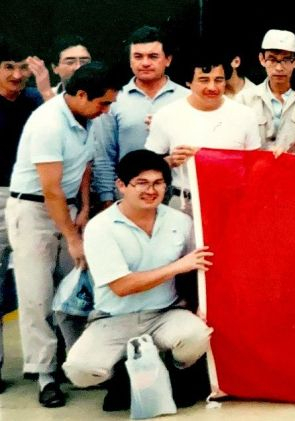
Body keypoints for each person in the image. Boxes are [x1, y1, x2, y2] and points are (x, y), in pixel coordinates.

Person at [6, 62, 120, 407]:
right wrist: (72, 237)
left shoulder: (86, 118)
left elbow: (84, 167)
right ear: (81, 94)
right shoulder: (48, 122)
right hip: (35, 211)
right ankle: (44, 375)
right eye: (102, 103)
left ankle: (77, 363)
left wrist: (83, 209)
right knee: (37, 295)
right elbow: (50, 188)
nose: (106, 111)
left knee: (73, 293)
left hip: (68, 208)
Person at [63, 149, 213, 412]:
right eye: (141, 183)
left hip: (165, 313)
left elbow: (194, 271)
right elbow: (122, 286)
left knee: (196, 335)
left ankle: (175, 375)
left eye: (158, 183)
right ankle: (124, 375)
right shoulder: (101, 227)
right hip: (114, 318)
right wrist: (175, 267)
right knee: (80, 370)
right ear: (121, 185)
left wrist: (196, 306)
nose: (151, 190)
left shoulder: (180, 220)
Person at [145, 51, 260, 216]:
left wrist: (204, 156)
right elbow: (147, 166)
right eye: (204, 80)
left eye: (218, 80)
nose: (212, 87)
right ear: (188, 82)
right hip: (184, 205)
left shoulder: (245, 115)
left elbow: (254, 166)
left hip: (233, 205)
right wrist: (169, 161)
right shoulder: (166, 115)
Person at [93, 26, 189, 208]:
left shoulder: (186, 98)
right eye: (138, 56)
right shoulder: (114, 99)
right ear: (130, 61)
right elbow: (104, 155)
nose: (145, 63)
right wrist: (107, 200)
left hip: (177, 197)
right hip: (127, 196)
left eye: (153, 56)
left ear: (168, 60)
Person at [0, 35, 45, 393]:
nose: (16, 75)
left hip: (32, 200)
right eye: (8, 67)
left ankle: (44, 364)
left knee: (37, 287)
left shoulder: (34, 101)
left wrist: (43, 87)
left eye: (21, 67)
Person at [239, 29, 295, 152]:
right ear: (262, 59)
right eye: (272, 60)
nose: (279, 68)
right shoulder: (245, 99)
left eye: (286, 60)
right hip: (256, 169)